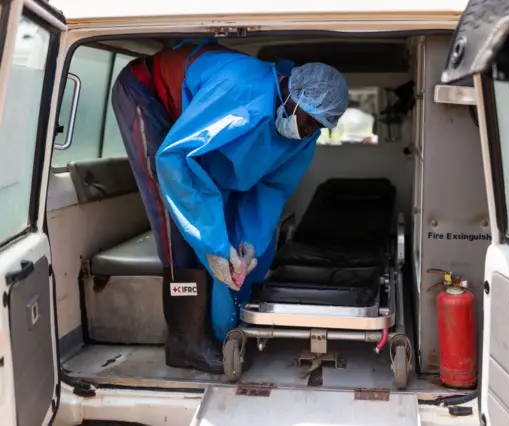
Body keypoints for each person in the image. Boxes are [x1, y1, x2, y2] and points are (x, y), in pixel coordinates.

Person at [111, 39, 349, 374]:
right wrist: (212, 245)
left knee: (224, 227)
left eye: (319, 128)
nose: (309, 132)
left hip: (193, 116)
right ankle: (186, 343)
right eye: (310, 120)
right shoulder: (243, 95)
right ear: (292, 91)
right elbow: (176, 158)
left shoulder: (302, 137)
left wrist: (247, 243)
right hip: (148, 96)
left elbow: (270, 189)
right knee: (174, 221)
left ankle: (219, 330)